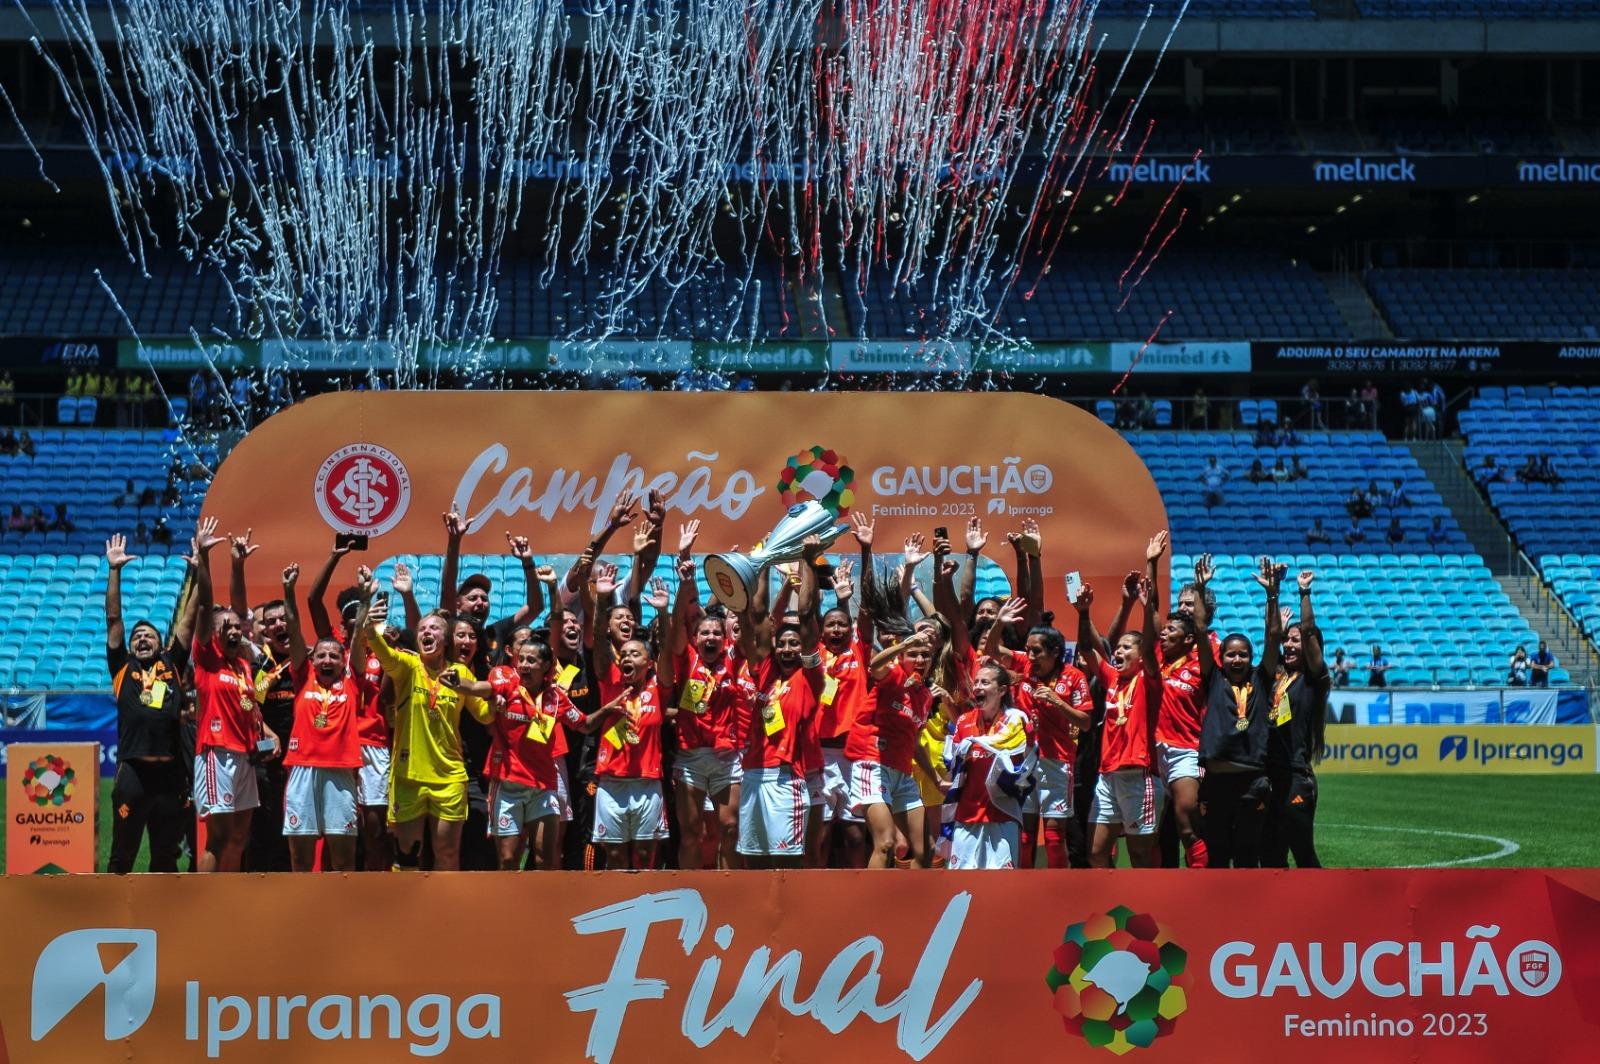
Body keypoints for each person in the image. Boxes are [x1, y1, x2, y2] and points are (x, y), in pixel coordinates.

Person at [365, 607, 490, 871]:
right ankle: (408, 912)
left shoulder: (460, 672)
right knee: (408, 856)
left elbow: (485, 715)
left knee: (446, 853)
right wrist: (370, 626)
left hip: (450, 776)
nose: (427, 632)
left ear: (446, 640)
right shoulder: (408, 666)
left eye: (434, 629)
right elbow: (384, 654)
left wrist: (499, 697)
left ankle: (445, 911)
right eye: (422, 629)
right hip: (409, 776)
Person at [190, 518, 280, 873]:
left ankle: (227, 902)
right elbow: (205, 606)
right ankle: (205, 904)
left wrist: (239, 564)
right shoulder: (207, 659)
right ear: (212, 634)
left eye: (235, 628)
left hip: (244, 756)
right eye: (223, 627)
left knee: (240, 836)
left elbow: (241, 613)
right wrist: (206, 559)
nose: (232, 630)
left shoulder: (243, 665)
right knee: (218, 836)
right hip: (216, 753)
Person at [104, 532, 195, 873]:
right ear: (130, 647)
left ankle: (165, 923)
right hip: (134, 775)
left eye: (149, 635)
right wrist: (115, 571)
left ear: (160, 644)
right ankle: (114, 921)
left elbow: (189, 619)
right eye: (137, 636)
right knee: (122, 855)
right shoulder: (122, 669)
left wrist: (200, 572)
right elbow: (114, 620)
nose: (142, 639)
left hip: (171, 776)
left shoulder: (172, 663)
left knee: (165, 857)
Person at [733, 538, 827, 870]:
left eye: (794, 644)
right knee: (753, 863)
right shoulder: (766, 673)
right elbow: (758, 615)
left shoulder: (811, 679)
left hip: (786, 781)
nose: (787, 649)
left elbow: (805, 614)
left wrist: (808, 560)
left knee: (787, 865)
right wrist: (759, 563)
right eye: (782, 644)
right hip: (752, 777)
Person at [664, 525, 749, 870]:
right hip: (690, 758)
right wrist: (685, 563)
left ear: (724, 637)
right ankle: (690, 889)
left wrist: (740, 577)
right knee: (692, 833)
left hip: (728, 758)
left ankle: (728, 893)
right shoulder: (686, 658)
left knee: (730, 828)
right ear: (696, 637)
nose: (711, 636)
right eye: (705, 632)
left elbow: (749, 616)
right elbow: (686, 612)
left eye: (716, 631)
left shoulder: (734, 656)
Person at [982, 597, 1089, 870]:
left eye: (1037, 652)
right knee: (1026, 836)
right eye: (1028, 651)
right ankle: (1026, 891)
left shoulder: (1074, 676)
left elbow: (1086, 722)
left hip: (1058, 762)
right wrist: (999, 623)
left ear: (1055, 652)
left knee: (1054, 839)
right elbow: (992, 649)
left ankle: (1058, 893)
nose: (1030, 657)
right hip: (1024, 761)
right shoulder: (1023, 665)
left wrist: (1058, 702)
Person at [278, 564, 366, 872]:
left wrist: (366, 602)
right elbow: (292, 626)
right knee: (301, 858)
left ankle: (342, 915)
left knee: (343, 859)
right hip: (302, 768)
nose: (327, 659)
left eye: (334, 656)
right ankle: (304, 915)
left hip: (341, 772)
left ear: (343, 661)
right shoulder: (303, 677)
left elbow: (357, 641)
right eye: (322, 655)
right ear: (312, 659)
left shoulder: (352, 681)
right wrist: (289, 591)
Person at [1190, 554, 1275, 869]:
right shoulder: (1213, 677)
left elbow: (1273, 637)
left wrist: (1271, 594)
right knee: (1216, 854)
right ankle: (1214, 916)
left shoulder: (1261, 679)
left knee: (1246, 854)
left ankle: (1245, 917)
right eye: (1230, 655)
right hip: (1215, 783)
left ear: (1251, 658)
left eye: (1242, 655)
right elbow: (1199, 629)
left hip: (1252, 783)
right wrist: (1200, 589)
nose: (1236, 660)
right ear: (1221, 657)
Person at [1074, 569, 1162, 868]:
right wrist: (1083, 612)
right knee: (1097, 853)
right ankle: (1114, 900)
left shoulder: (1149, 679)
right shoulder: (1112, 678)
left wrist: (1146, 605)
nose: (1119, 651)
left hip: (1140, 775)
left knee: (1140, 855)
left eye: (1127, 647)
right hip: (1107, 775)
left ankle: (1147, 907)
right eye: (1119, 646)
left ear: (1140, 656)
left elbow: (1151, 646)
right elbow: (1086, 648)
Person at [846, 618, 942, 870]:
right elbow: (875, 665)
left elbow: (916, 742)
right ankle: (870, 906)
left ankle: (909, 905)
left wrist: (935, 778)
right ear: (902, 657)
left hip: (902, 772)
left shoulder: (925, 696)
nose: (920, 660)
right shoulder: (893, 674)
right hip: (873, 764)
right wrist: (903, 645)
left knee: (926, 850)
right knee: (887, 843)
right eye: (913, 654)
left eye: (925, 655)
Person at [1263, 569, 1329, 870]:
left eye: (1296, 641)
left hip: (1295, 777)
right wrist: (1272, 595)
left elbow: (1310, 631)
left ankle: (1322, 910)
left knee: (1302, 852)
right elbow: (1271, 636)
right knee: (1272, 855)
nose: (1289, 645)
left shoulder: (1315, 678)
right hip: (1267, 777)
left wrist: (1304, 593)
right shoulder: (1276, 675)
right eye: (1287, 641)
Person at [943, 662, 1035, 870]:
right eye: (976, 682)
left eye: (985, 682)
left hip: (1002, 814)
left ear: (1002, 690)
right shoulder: (964, 721)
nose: (978, 687)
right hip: (967, 815)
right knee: (961, 885)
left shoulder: (1016, 721)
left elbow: (1024, 763)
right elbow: (951, 763)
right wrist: (959, 757)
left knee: (1002, 887)